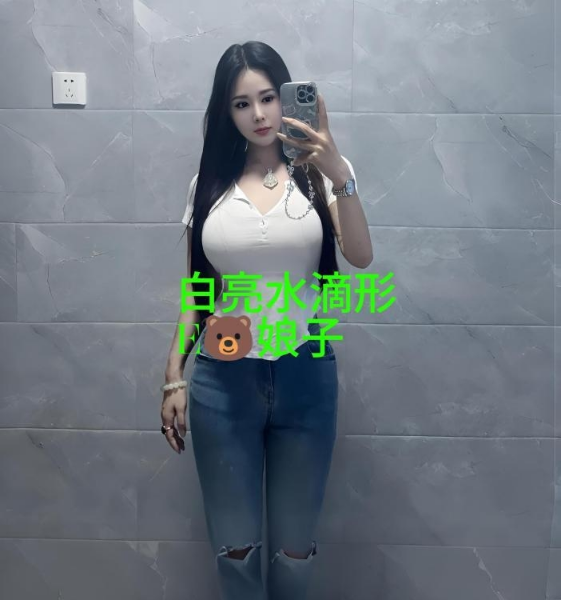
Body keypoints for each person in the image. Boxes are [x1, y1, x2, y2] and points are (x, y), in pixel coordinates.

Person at [161, 41, 372, 600]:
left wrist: (338, 171)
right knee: (235, 550)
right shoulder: (208, 185)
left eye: (268, 98)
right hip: (222, 381)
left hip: (306, 374)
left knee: (295, 551)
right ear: (225, 113)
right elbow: (197, 290)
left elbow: (360, 256)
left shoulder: (320, 176)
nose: (258, 114)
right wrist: (173, 375)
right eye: (241, 104)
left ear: (286, 99)